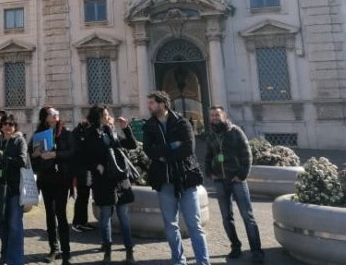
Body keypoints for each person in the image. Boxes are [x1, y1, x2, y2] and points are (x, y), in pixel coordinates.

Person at [143, 91, 210, 265]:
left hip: (186, 178)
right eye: (149, 103)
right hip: (164, 181)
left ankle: (203, 261)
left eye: (152, 103)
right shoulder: (149, 125)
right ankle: (178, 260)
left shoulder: (182, 122)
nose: (149, 106)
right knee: (171, 225)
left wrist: (164, 154)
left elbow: (188, 148)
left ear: (163, 104)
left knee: (194, 224)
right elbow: (149, 151)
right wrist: (172, 146)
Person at [205, 106, 264, 263]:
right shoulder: (212, 135)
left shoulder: (235, 131)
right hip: (219, 181)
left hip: (237, 180)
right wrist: (209, 172)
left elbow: (247, 154)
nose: (214, 117)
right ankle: (235, 246)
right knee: (226, 217)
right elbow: (208, 155)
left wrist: (242, 175)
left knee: (247, 216)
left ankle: (257, 252)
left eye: (217, 114)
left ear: (224, 115)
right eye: (212, 115)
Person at [85, 105, 137, 265]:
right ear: (98, 117)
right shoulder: (91, 134)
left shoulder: (112, 132)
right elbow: (88, 155)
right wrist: (96, 166)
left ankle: (129, 252)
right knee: (105, 216)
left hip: (119, 180)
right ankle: (107, 251)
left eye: (108, 115)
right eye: (105, 115)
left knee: (123, 217)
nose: (108, 117)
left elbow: (131, 145)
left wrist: (125, 128)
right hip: (103, 181)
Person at [29, 107, 75, 265]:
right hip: (46, 179)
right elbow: (31, 155)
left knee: (61, 213)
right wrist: (35, 154)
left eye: (56, 113)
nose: (56, 115)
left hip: (62, 179)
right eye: (52, 113)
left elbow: (72, 152)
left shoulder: (66, 133)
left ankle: (66, 250)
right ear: (46, 118)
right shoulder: (38, 135)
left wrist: (56, 154)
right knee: (49, 214)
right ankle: (53, 248)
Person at [0, 115, 29, 265]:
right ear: (1, 127)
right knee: (3, 224)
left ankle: (16, 260)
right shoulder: (0, 141)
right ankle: (5, 255)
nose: (8, 126)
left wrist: (4, 158)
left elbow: (22, 161)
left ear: (15, 126)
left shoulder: (19, 140)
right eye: (5, 124)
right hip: (2, 188)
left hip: (15, 188)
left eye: (11, 124)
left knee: (15, 225)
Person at [71, 117, 94, 232]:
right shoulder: (79, 133)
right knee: (82, 197)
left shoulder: (82, 132)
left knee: (84, 197)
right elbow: (79, 152)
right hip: (82, 170)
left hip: (85, 169)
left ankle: (82, 221)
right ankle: (78, 222)